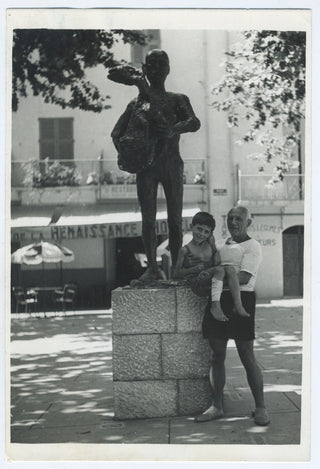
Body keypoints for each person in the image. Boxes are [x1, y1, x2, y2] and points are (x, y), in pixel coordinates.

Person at [111, 49, 201, 282]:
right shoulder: (137, 104)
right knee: (148, 220)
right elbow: (116, 134)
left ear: (168, 69)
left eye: (160, 64)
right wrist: (130, 156)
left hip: (171, 165)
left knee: (174, 219)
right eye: (151, 65)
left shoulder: (177, 99)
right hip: (147, 168)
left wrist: (174, 129)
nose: (156, 69)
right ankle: (152, 269)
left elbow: (194, 121)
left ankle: (177, 270)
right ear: (145, 70)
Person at [195, 206, 270, 426]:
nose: (233, 222)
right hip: (218, 300)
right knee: (216, 356)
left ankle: (261, 408)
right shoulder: (219, 244)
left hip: (242, 300)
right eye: (230, 218)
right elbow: (206, 264)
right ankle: (216, 406)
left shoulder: (253, 246)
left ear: (248, 222)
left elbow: (245, 277)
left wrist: (212, 278)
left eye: (239, 218)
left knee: (247, 356)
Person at [173, 211, 250, 320]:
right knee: (220, 270)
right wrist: (192, 269)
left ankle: (238, 306)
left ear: (210, 234)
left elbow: (217, 262)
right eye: (199, 229)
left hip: (209, 279)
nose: (202, 234)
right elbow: (176, 273)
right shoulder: (185, 250)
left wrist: (213, 245)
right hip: (197, 284)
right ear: (191, 227)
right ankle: (215, 307)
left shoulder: (209, 244)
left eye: (206, 232)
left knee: (231, 270)